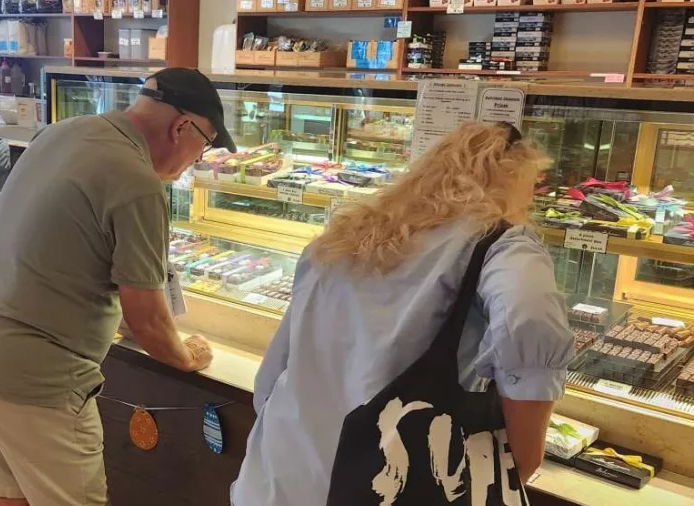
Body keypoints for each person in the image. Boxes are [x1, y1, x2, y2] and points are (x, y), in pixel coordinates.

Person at [0, 68, 237, 506]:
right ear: (181, 127)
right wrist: (187, 356)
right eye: (205, 145)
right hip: (32, 378)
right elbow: (149, 324)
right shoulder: (138, 183)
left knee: (14, 497)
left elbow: (71, 248)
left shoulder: (65, 131)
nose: (198, 159)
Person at [232, 122, 575, 506]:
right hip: (385, 487)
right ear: (514, 178)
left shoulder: (343, 237)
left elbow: (271, 381)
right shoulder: (501, 244)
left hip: (277, 477)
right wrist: (523, 455)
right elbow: (530, 318)